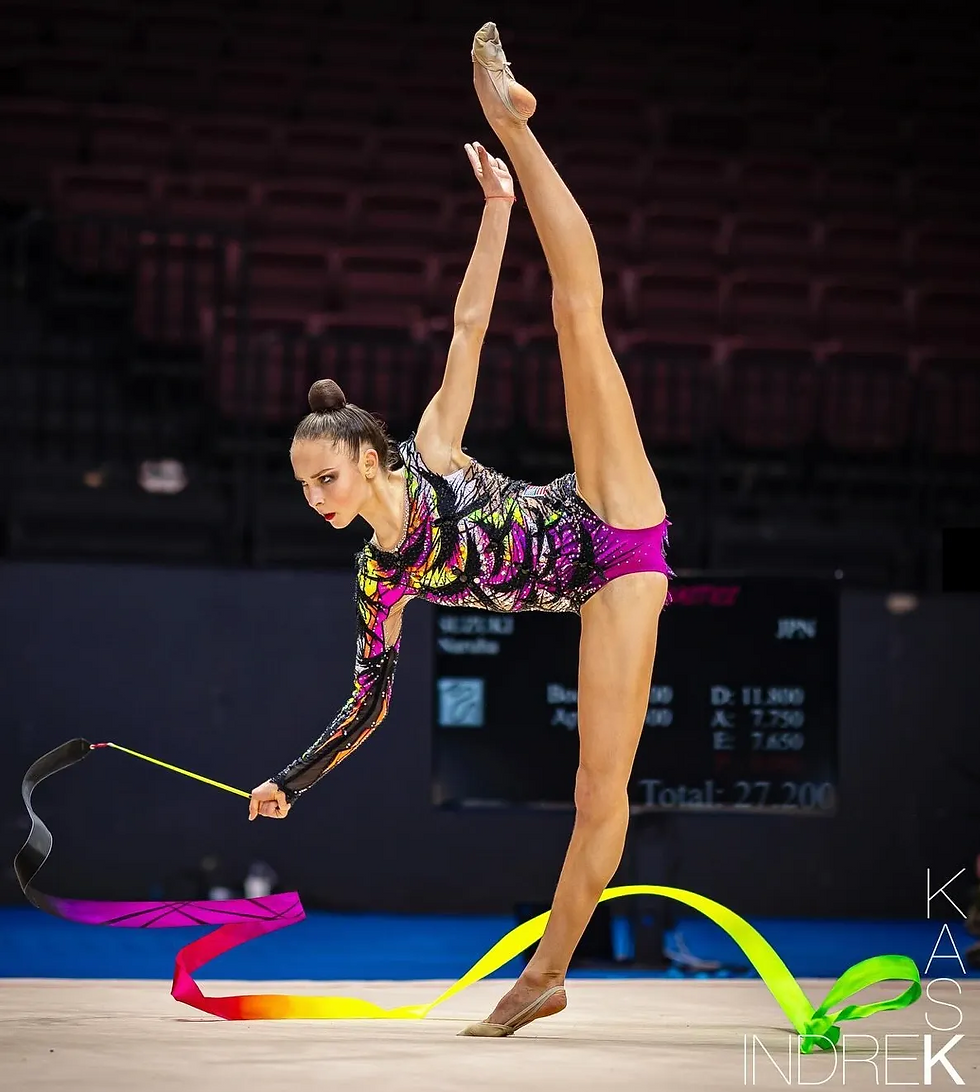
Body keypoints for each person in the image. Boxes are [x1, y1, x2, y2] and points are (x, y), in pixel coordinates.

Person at [248, 22, 672, 1037]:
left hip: (602, 512)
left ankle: (515, 122)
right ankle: (545, 977)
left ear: (368, 459)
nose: (315, 498)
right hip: (600, 590)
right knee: (596, 793)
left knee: (576, 317)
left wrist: (496, 209)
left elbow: (469, 324)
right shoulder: (379, 579)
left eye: (324, 478)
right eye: (303, 487)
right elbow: (369, 703)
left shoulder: (431, 451)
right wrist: (292, 781)